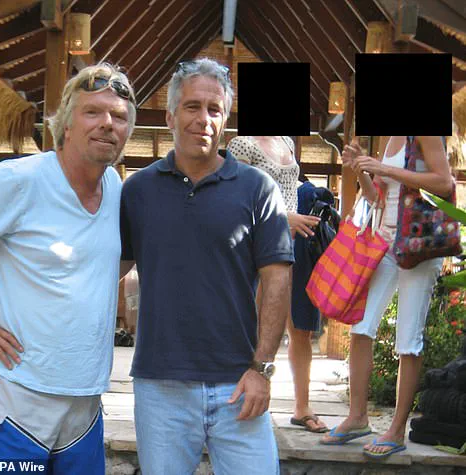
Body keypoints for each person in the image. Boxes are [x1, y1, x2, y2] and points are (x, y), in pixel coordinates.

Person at [0, 63, 136, 474]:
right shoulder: (20, 179)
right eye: (92, 112)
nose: (107, 123)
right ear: (66, 124)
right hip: (13, 406)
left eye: (119, 117)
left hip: (84, 410)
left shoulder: (116, 191)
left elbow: (101, 268)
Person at [120, 58, 294, 474]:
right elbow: (109, 270)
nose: (203, 118)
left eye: (214, 109)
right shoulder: (137, 190)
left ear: (225, 120)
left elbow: (278, 281)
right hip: (161, 386)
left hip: (239, 382)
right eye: (192, 106)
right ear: (170, 116)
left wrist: (262, 369)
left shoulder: (257, 188)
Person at [321, 136, 454, 458]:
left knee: (408, 340)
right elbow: (376, 198)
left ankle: (396, 429)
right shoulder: (391, 137)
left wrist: (383, 168)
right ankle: (357, 417)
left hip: (418, 245)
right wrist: (361, 169)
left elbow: (443, 182)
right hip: (384, 243)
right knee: (360, 327)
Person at [227, 136, 326, 433]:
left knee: (301, 328)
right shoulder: (241, 144)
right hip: (257, 245)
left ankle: (302, 407)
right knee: (257, 327)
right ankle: (249, 401)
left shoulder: (286, 141)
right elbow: (234, 201)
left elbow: (289, 188)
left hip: (294, 242)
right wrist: (283, 218)